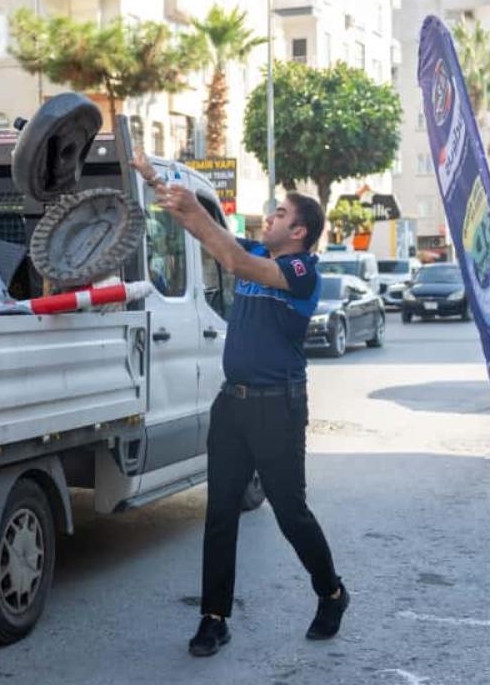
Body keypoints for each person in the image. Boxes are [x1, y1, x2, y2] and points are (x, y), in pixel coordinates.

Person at [132, 153, 347, 657]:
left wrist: (196, 210)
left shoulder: (300, 271)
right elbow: (209, 235)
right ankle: (214, 617)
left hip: (279, 408)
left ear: (298, 232)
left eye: (278, 215)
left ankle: (332, 592)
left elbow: (231, 259)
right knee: (221, 513)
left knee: (291, 513)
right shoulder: (253, 250)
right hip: (234, 405)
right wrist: (153, 178)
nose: (268, 219)